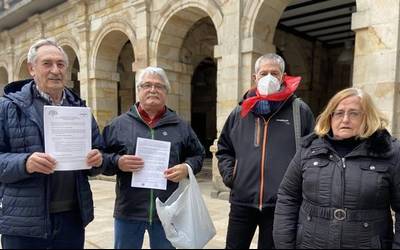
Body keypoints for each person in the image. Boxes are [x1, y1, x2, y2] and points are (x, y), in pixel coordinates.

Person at [0, 38, 105, 249]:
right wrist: (25, 163)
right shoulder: (8, 107)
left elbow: (100, 154)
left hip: (72, 219)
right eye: (47, 63)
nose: (55, 70)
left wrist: (98, 160)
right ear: (32, 68)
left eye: (60, 64)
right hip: (24, 222)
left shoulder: (79, 110)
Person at [273, 87, 400, 249]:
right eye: (339, 113)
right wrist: (284, 245)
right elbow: (287, 197)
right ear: (330, 117)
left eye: (354, 113)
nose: (345, 119)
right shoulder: (309, 149)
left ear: (368, 117)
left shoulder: (390, 152)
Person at [216, 53, 315, 249]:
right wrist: (231, 176)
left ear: (283, 77)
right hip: (242, 201)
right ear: (255, 77)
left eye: (274, 73)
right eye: (263, 73)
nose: (268, 77)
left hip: (281, 204)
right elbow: (224, 147)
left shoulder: (299, 111)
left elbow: (312, 152)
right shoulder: (240, 111)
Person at [102, 66, 205, 249]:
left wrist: (186, 168)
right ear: (138, 90)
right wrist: (118, 162)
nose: (153, 90)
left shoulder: (181, 126)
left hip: (167, 211)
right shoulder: (118, 125)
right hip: (129, 211)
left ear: (166, 92)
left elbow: (198, 154)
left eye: (159, 86)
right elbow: (101, 159)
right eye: (147, 85)